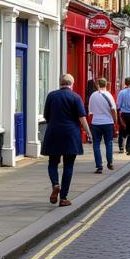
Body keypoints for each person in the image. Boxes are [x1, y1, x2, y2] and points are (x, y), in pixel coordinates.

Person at [41, 74, 91, 207]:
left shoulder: (51, 96)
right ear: (72, 84)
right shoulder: (76, 97)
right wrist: (88, 132)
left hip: (54, 133)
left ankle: (55, 184)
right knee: (68, 166)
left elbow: (46, 115)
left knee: (53, 163)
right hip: (71, 135)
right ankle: (63, 198)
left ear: (60, 83)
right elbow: (82, 118)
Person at [87, 77, 118, 174]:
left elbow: (90, 111)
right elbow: (113, 109)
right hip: (108, 122)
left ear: (97, 85)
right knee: (108, 142)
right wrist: (115, 121)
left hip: (96, 123)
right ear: (106, 85)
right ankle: (110, 162)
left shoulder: (93, 96)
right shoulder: (109, 95)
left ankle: (99, 166)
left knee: (96, 144)